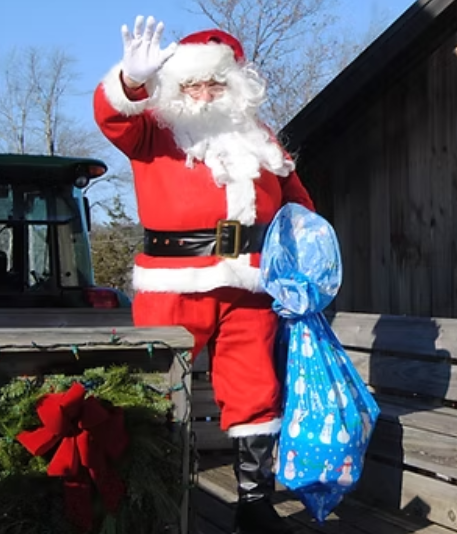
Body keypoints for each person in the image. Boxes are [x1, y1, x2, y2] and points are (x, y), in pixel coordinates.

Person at [93, 15, 315, 534]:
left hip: (251, 286)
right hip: (175, 282)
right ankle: (150, 495)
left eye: (215, 82)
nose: (204, 93)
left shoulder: (258, 139)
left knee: (256, 389)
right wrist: (129, 83)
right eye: (192, 83)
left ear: (234, 86)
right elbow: (113, 119)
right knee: (154, 389)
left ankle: (255, 503)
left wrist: (307, 258)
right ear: (174, 88)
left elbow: (299, 206)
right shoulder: (153, 130)